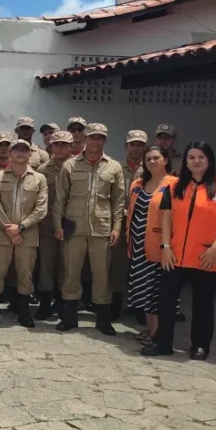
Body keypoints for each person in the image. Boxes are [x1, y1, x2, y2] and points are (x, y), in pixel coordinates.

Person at [142, 142, 216, 360]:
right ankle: (162, 342)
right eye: (191, 157)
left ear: (209, 160)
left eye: (201, 157)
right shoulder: (175, 187)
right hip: (174, 256)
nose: (196, 161)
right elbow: (166, 218)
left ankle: (200, 345)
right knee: (166, 301)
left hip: (205, 256)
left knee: (203, 303)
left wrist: (215, 248)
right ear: (185, 161)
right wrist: (165, 247)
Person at [53, 123, 125, 336]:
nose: (96, 141)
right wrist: (57, 225)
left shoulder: (113, 167)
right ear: (85, 139)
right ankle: (69, 318)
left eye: (100, 138)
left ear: (105, 141)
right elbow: (60, 198)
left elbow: (118, 201)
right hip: (74, 227)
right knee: (71, 273)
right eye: (92, 137)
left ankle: (103, 320)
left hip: (101, 229)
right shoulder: (70, 165)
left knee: (101, 274)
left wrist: (117, 228)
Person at [0, 139, 48, 328]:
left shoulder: (39, 179)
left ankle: (24, 313)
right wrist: (9, 229)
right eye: (16, 149)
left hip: (27, 235)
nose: (20, 152)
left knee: (25, 274)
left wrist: (20, 227)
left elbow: (41, 208)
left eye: (24, 149)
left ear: (30, 154)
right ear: (10, 154)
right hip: (1, 233)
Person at [125, 146, 175, 346]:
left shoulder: (174, 184)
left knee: (159, 290)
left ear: (165, 160)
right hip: (138, 245)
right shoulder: (138, 184)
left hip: (162, 245)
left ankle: (159, 333)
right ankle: (150, 328)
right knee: (144, 289)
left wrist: (168, 245)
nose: (152, 162)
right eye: (148, 159)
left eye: (157, 158)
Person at [34, 131, 73, 320]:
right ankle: (45, 302)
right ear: (50, 146)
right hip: (47, 223)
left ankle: (63, 301)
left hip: (71, 223)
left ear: (71, 147)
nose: (59, 148)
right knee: (46, 264)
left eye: (64, 145)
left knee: (67, 264)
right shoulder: (42, 170)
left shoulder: (77, 167)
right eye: (56, 144)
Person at [110, 130, 147, 321]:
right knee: (118, 265)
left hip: (144, 225)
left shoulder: (150, 169)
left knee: (141, 266)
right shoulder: (115, 167)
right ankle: (116, 304)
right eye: (133, 144)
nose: (136, 148)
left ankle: (140, 307)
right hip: (121, 223)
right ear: (126, 146)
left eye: (140, 144)